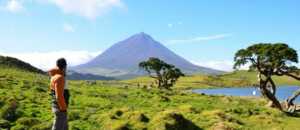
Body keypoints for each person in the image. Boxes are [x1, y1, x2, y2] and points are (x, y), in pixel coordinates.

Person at [49, 58, 68, 130]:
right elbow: (59, 96)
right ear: (64, 66)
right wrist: (63, 109)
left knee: (64, 127)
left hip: (58, 106)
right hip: (60, 108)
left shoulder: (55, 76)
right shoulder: (59, 78)